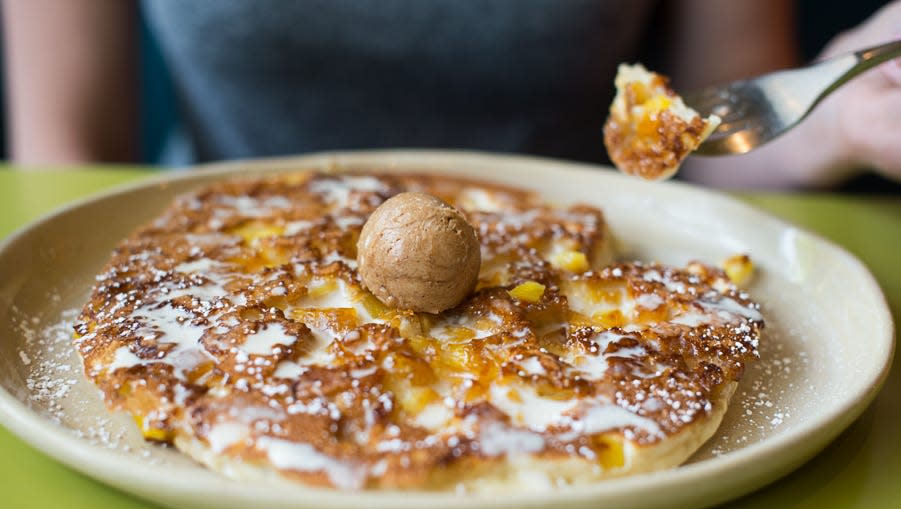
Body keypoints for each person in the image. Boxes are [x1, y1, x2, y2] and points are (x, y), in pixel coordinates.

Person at [1, 0, 898, 190]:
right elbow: (65, 158)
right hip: (212, 277)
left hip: (596, 284)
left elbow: (708, 132)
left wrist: (841, 113)